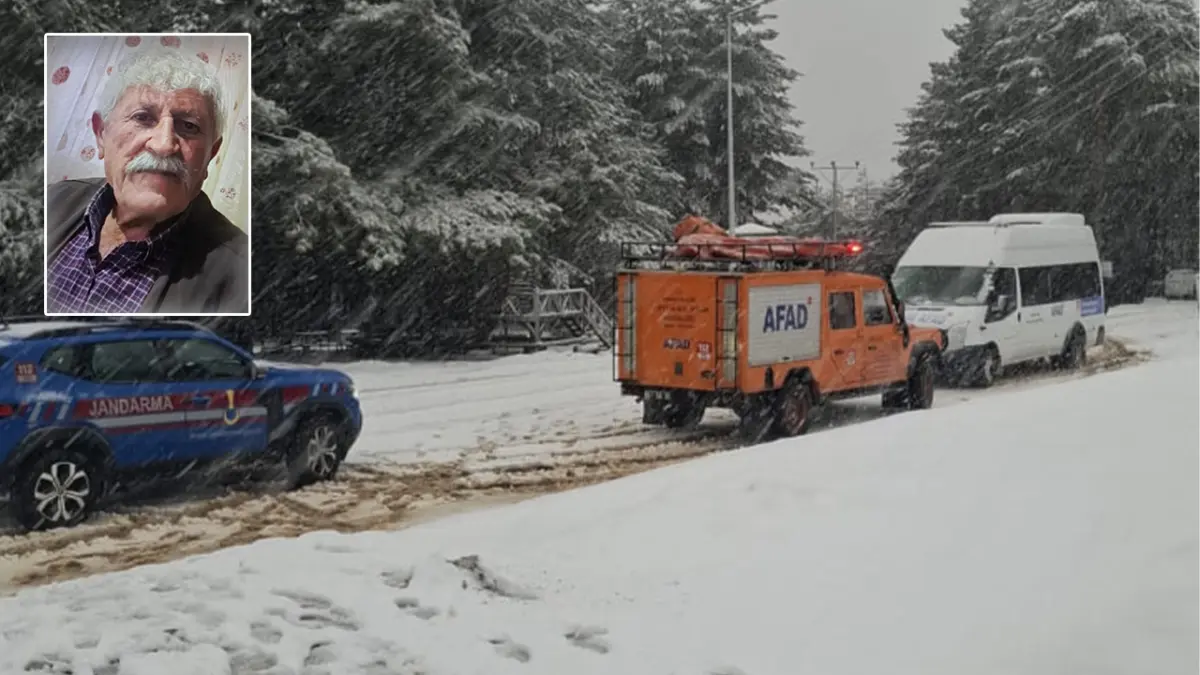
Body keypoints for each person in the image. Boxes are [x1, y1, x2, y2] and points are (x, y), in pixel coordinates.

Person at [45, 48, 249, 314]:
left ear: (211, 154)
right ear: (101, 134)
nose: (164, 145)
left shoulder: (239, 274)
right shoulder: (52, 201)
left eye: (188, 126)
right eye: (142, 118)